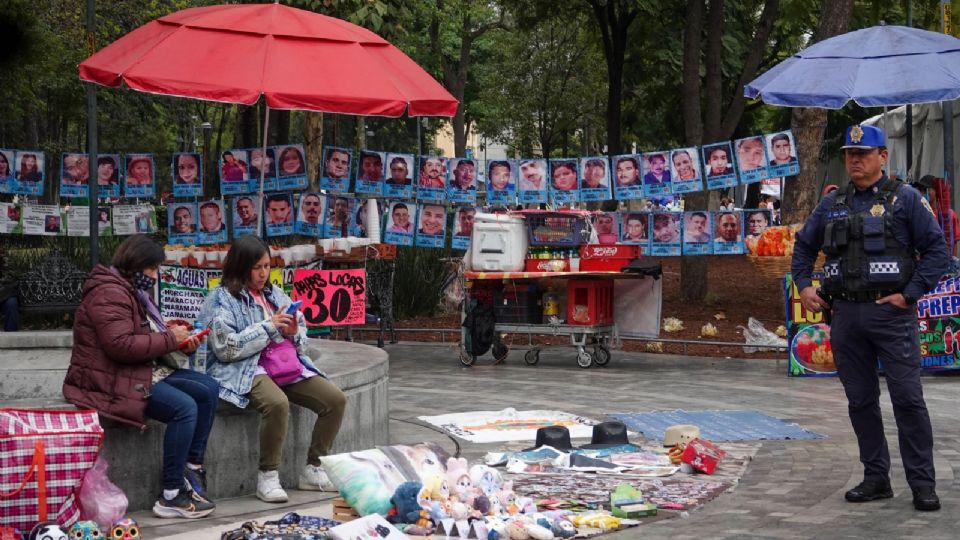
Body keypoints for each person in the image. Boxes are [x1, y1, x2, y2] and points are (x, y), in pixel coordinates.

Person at [791, 124, 949, 512]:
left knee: (908, 400)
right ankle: (876, 478)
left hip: (891, 315)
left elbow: (937, 252)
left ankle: (923, 485)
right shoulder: (831, 203)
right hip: (844, 315)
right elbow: (803, 248)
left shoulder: (906, 199)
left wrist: (909, 295)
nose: (855, 160)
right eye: (849, 154)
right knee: (860, 401)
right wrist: (806, 287)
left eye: (863, 153)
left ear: (883, 157)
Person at [63, 235, 218, 519]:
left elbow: (138, 336)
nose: (156, 276)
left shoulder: (131, 290)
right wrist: (169, 339)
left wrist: (176, 338)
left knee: (207, 388)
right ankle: (171, 493)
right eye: (153, 269)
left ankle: (191, 470)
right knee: (184, 407)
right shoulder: (109, 292)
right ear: (137, 265)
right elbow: (120, 345)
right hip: (107, 380)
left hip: (135, 370)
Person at [197, 235, 346, 503]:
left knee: (335, 400)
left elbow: (301, 338)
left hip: (282, 364)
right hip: (244, 368)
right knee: (277, 403)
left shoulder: (274, 293)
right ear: (241, 267)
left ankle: (313, 468)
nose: (264, 273)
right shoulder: (221, 299)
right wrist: (269, 327)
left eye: (267, 266)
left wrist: (293, 332)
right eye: (257, 267)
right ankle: (267, 476)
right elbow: (226, 348)